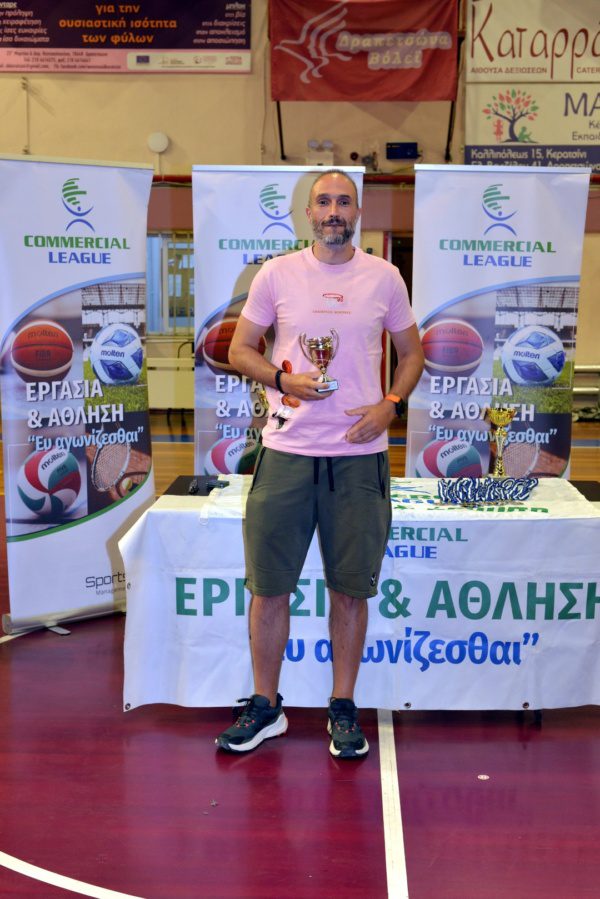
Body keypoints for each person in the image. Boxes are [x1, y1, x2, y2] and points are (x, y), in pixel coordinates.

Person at [216, 169, 424, 759]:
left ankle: (342, 705)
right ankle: (266, 705)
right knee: (269, 589)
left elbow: (412, 354)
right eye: (324, 201)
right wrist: (284, 380)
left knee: (350, 591)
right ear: (308, 212)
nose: (334, 210)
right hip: (287, 453)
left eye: (344, 201)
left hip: (358, 456)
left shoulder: (384, 276)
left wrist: (389, 405)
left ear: (357, 212)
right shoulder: (277, 274)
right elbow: (239, 350)